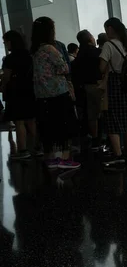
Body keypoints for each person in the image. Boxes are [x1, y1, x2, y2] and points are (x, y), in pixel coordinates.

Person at [30, 16, 81, 170]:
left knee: (48, 128)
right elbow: (64, 68)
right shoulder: (50, 49)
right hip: (58, 94)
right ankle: (65, 160)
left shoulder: (34, 50)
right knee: (65, 126)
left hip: (41, 95)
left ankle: (51, 159)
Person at [99, 17, 127, 167]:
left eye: (106, 29)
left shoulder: (108, 45)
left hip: (115, 84)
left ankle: (118, 155)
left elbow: (101, 68)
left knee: (113, 119)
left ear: (110, 29)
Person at [1, 30, 37, 160]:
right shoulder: (29, 55)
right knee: (31, 120)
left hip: (16, 92)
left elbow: (6, 77)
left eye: (6, 42)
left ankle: (23, 150)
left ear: (11, 42)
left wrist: (3, 88)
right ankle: (39, 148)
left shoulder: (10, 59)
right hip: (29, 90)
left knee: (19, 121)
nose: (5, 44)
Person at [73, 29, 103, 151]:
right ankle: (107, 139)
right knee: (102, 112)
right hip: (99, 85)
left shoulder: (79, 55)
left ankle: (95, 139)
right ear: (89, 39)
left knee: (91, 115)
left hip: (85, 87)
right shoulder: (97, 52)